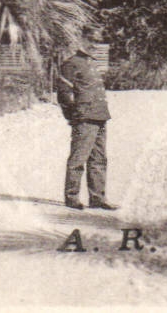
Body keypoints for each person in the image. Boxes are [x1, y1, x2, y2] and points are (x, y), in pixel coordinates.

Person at [55, 28, 117, 211]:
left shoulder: (92, 64)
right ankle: (72, 197)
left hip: (100, 116)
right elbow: (64, 93)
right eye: (91, 40)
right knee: (78, 159)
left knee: (99, 159)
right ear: (81, 40)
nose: (94, 44)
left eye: (97, 41)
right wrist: (73, 116)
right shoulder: (72, 64)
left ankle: (97, 198)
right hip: (84, 117)